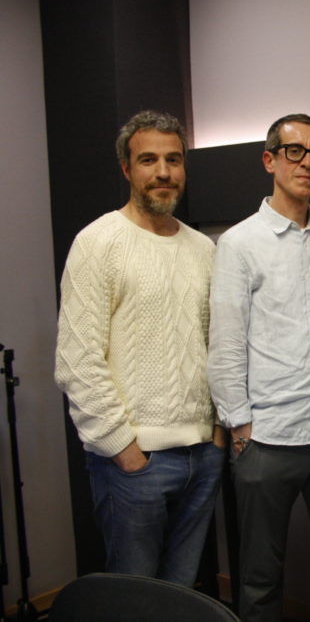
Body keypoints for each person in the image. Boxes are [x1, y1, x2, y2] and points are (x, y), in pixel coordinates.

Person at [55, 109, 224, 585]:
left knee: (181, 591)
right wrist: (123, 448)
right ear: (127, 169)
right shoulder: (98, 243)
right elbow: (77, 360)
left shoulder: (204, 250)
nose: (164, 172)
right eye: (148, 160)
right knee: (133, 597)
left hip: (202, 455)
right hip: (133, 464)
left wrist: (215, 432)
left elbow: (217, 346)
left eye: (174, 160)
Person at [208, 113, 310, 621]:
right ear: (269, 160)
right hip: (265, 437)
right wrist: (240, 425)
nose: (308, 163)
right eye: (295, 151)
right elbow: (224, 343)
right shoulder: (239, 242)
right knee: (260, 577)